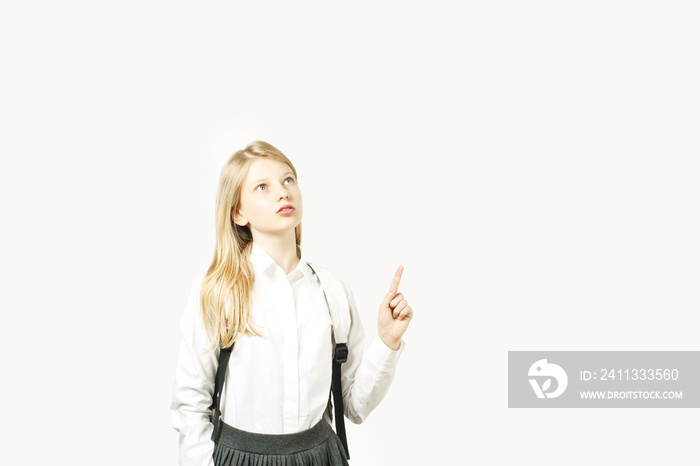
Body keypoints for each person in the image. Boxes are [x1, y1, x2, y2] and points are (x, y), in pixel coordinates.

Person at [170, 140, 413, 465]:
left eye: (288, 180)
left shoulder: (332, 292)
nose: (282, 193)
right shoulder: (216, 292)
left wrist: (387, 341)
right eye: (262, 187)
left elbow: (353, 407)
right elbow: (191, 404)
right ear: (238, 212)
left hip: (322, 456)